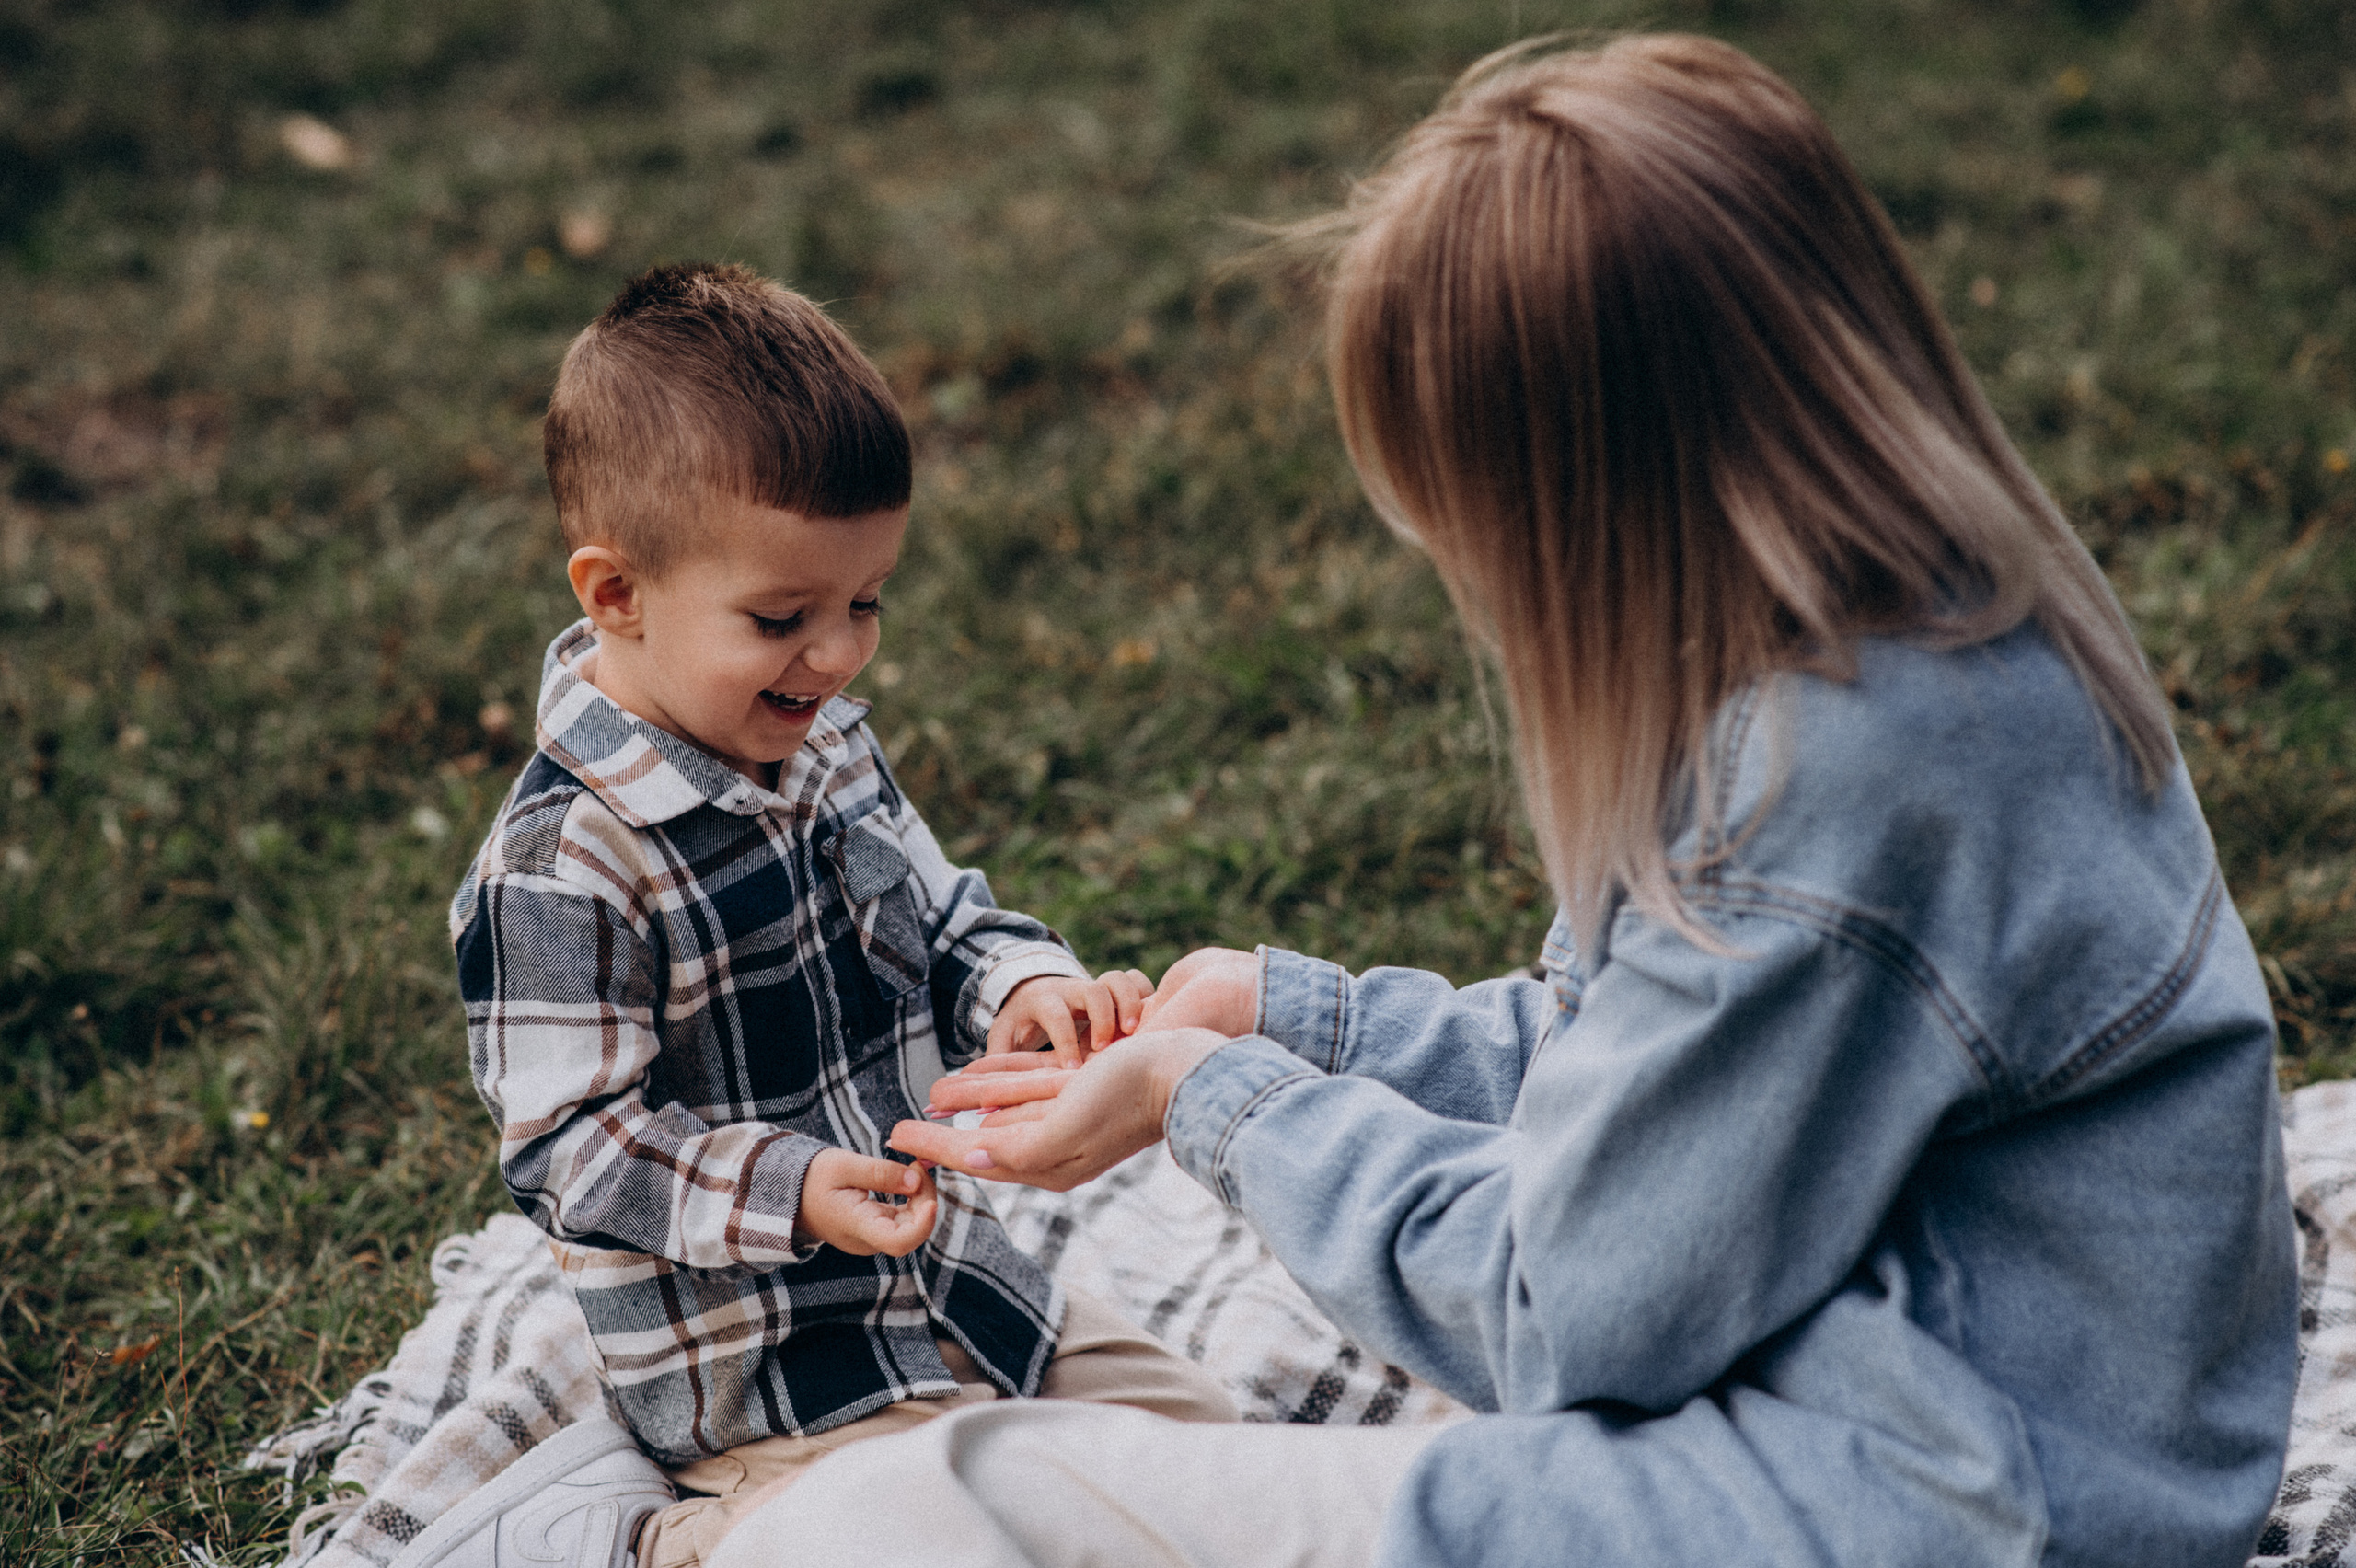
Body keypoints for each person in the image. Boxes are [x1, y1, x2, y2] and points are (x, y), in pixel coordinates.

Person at [789, 31, 2282, 1568]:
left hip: (1943, 1509)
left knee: (910, 1513)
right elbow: (1652, 1094)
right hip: (1954, 1438)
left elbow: (1560, 1312)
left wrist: (1207, 1100)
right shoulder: (1939, 626)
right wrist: (1293, 1020)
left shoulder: (1838, 793)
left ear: (1575, 498)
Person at [402, 263, 1233, 1568]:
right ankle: (703, 1542)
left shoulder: (826, 740)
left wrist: (1022, 989)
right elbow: (570, 1148)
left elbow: (943, 914)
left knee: (1223, 1468)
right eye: (783, 617)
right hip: (764, 1371)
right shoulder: (564, 867)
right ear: (615, 595)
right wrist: (793, 1192)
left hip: (960, 1290)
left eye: (866, 603)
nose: (839, 655)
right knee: (958, 1536)